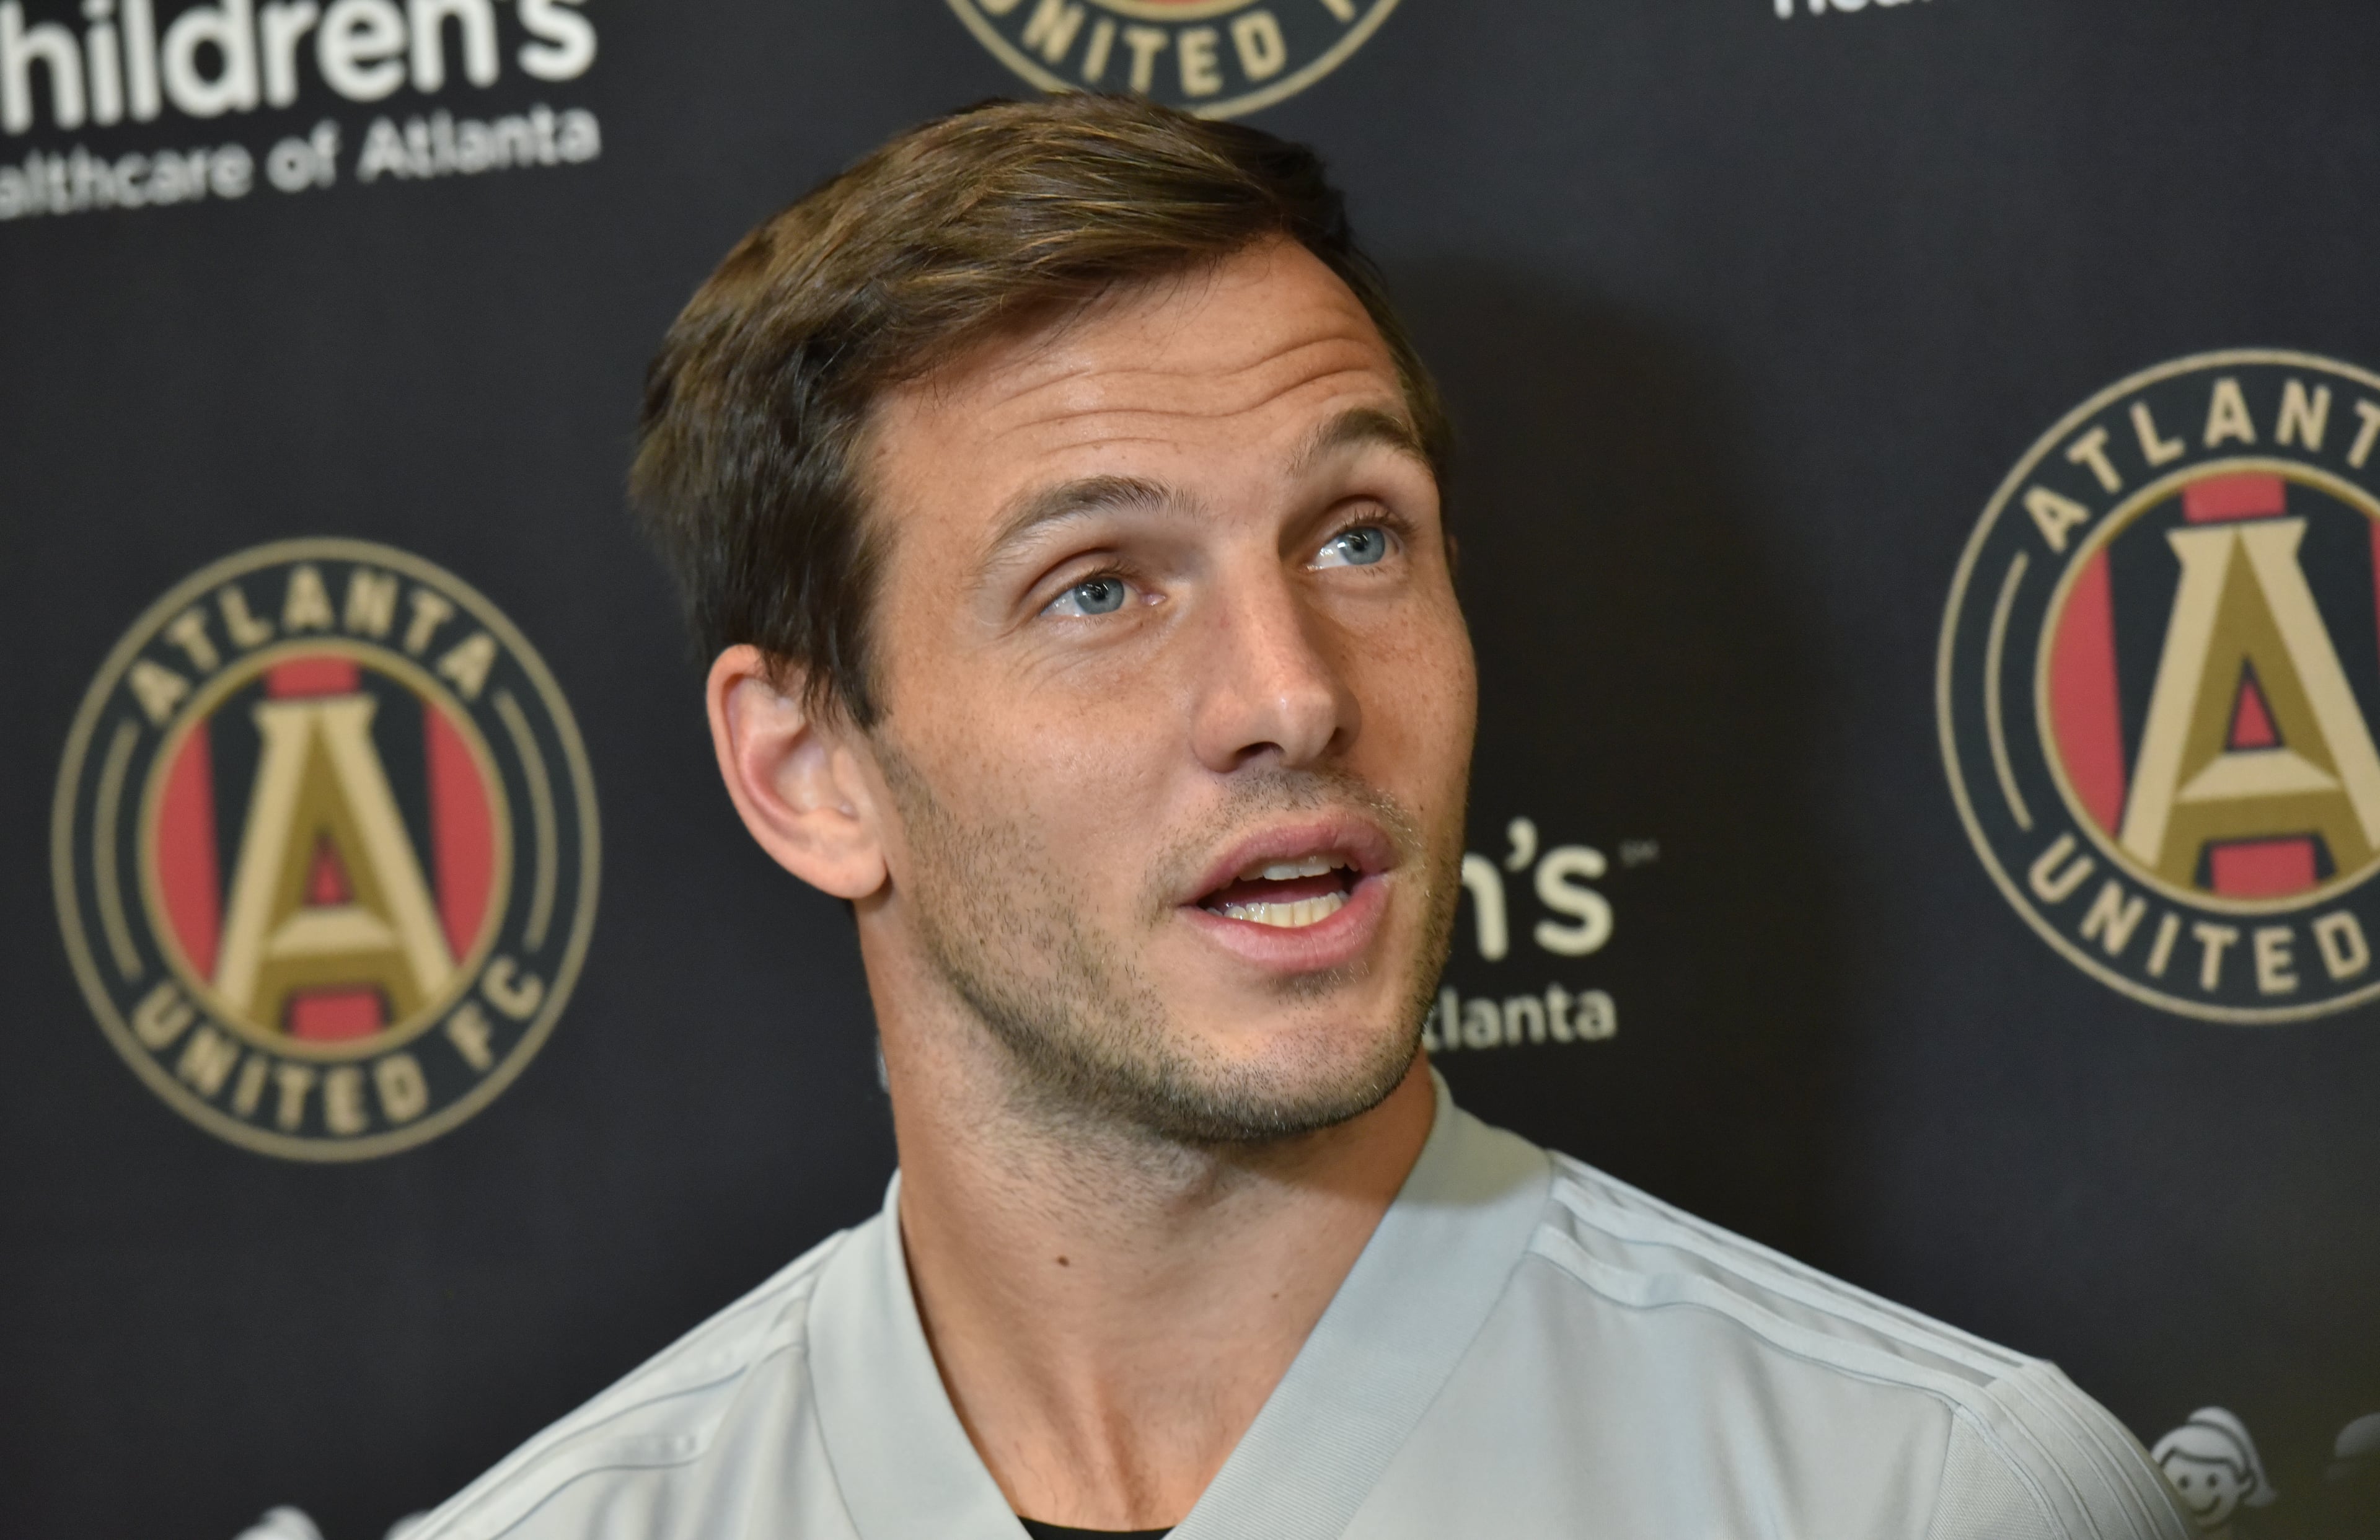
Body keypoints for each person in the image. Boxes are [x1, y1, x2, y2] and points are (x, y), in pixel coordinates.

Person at [408, 94, 2190, 1540]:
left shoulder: (1924, 1494)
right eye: (1100, 588)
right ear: (813, 774)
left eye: (1358, 537)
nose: (1293, 693)